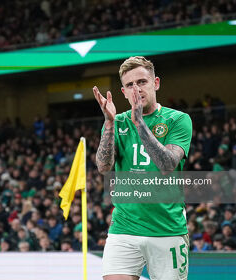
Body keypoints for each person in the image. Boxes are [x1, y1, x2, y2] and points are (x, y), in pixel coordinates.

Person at [93, 56, 192, 280]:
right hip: (124, 228)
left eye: (142, 82)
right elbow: (104, 167)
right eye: (130, 85)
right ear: (123, 92)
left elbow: (167, 164)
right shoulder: (116, 122)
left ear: (155, 83)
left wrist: (139, 122)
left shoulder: (178, 119)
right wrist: (109, 123)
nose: (136, 89)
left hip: (166, 229)